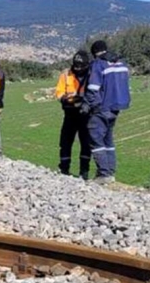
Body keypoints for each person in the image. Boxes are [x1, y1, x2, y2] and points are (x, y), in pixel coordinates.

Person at [83, 40, 131, 184]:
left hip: (102, 107)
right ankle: (110, 172)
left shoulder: (98, 64)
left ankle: (104, 174)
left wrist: (88, 106)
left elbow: (93, 88)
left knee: (96, 139)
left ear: (94, 52)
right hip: (117, 107)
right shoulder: (121, 63)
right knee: (108, 139)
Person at [55, 50, 92, 179]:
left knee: (86, 143)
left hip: (85, 114)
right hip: (70, 113)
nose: (78, 68)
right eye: (76, 66)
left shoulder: (91, 75)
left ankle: (84, 171)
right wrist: (64, 99)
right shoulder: (66, 74)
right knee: (65, 141)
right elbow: (59, 92)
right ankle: (64, 168)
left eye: (81, 66)